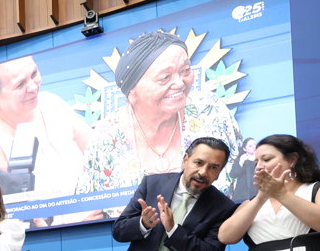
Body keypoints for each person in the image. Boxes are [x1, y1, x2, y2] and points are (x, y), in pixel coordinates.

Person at [77, 30, 241, 194]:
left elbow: (243, 177)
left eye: (185, 70)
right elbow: (86, 206)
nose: (179, 83)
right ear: (132, 91)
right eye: (164, 77)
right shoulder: (103, 141)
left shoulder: (212, 111)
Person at [112, 137, 237, 251]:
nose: (203, 172)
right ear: (185, 160)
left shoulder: (223, 207)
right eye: (199, 163)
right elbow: (118, 231)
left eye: (213, 168)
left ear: (219, 173)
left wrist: (173, 230)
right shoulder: (152, 184)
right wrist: (143, 224)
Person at [0, 56, 91, 198]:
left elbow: (94, 149)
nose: (33, 87)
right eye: (20, 84)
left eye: (34, 74)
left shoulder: (51, 102)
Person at [218, 134, 320, 251]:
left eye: (266, 159)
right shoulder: (252, 202)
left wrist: (281, 194)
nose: (259, 166)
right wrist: (261, 198)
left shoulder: (314, 189)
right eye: (256, 162)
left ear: (292, 159)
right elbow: (225, 236)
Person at [230, 137, 258, 201]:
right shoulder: (240, 159)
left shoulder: (261, 159)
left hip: (257, 194)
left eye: (254, 144)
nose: (254, 147)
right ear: (244, 149)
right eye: (250, 146)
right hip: (242, 195)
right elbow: (233, 174)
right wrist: (241, 162)